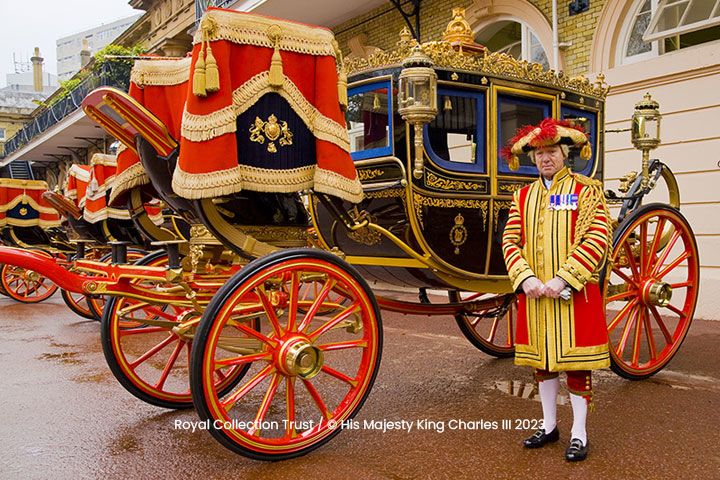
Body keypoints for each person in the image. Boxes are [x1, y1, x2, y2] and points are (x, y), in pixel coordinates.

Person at [501, 118, 611, 462]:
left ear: (565, 154)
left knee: (577, 366)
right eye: (540, 153)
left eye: (551, 151)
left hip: (573, 293)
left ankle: (579, 432)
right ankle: (549, 426)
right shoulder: (522, 197)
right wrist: (526, 278)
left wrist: (563, 278)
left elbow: (597, 237)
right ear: (533, 158)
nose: (545, 158)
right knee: (543, 363)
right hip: (535, 294)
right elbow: (509, 240)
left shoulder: (586, 190)